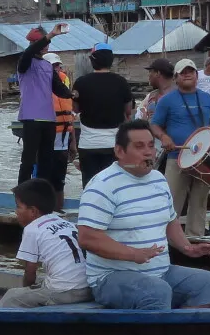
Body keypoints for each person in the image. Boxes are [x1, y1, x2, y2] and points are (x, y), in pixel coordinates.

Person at [76, 120, 210, 310]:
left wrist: (187, 248)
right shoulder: (102, 185)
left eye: (151, 146)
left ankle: (185, 334)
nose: (148, 152)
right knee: (156, 291)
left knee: (209, 283)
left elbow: (170, 220)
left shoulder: (159, 179)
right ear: (119, 151)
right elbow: (88, 238)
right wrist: (132, 254)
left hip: (160, 273)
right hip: (111, 278)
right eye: (139, 147)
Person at [150, 58, 210, 237]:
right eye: (183, 72)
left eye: (191, 71)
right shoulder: (167, 100)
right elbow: (154, 125)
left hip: (204, 158)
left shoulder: (207, 98)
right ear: (176, 78)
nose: (187, 74)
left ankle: (195, 237)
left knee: (199, 201)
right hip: (177, 156)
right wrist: (163, 136)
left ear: (197, 76)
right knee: (172, 201)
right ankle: (168, 238)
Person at [0, 178, 91, 308]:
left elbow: (30, 273)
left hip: (65, 292)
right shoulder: (66, 222)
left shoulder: (32, 229)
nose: (16, 211)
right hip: (88, 288)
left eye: (18, 206)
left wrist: (26, 291)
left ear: (33, 211)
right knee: (43, 282)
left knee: (10, 297)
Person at [16, 24, 74, 185]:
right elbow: (29, 52)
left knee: (46, 160)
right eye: (43, 42)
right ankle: (22, 192)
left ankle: (41, 192)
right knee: (28, 160)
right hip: (31, 118)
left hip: (49, 119)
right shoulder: (24, 62)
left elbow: (59, 88)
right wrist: (51, 35)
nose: (46, 45)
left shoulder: (47, 66)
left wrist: (73, 95)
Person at [73, 43, 134, 188]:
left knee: (90, 186)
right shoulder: (121, 82)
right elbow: (128, 111)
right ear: (111, 60)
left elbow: (75, 109)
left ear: (92, 61)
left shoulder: (81, 83)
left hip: (88, 145)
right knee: (114, 186)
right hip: (114, 145)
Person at [46, 53, 75, 211]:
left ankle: (58, 210)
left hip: (63, 141)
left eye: (57, 66)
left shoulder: (64, 89)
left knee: (59, 180)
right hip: (46, 141)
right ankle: (45, 211)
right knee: (44, 180)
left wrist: (73, 144)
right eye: (52, 66)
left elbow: (70, 118)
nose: (55, 69)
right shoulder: (37, 88)